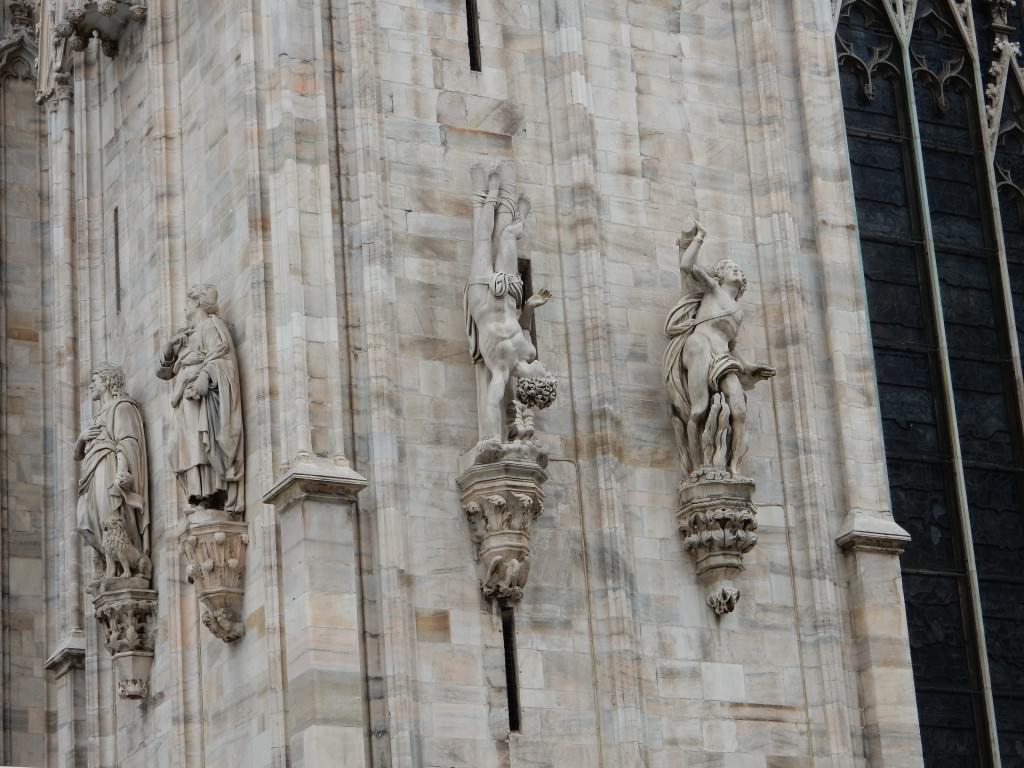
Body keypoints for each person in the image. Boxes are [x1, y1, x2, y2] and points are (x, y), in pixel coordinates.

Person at [664, 220, 775, 476]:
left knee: (738, 409)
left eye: (738, 269)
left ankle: (733, 468)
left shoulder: (738, 312)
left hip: (724, 358)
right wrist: (700, 238)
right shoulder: (713, 290)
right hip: (700, 346)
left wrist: (749, 367)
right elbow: (686, 265)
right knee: (700, 408)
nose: (736, 271)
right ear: (720, 275)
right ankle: (698, 469)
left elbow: (731, 346)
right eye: (731, 268)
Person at [464, 164, 554, 443]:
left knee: (482, 240)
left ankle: (485, 195)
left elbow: (493, 402)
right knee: (506, 236)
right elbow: (523, 326)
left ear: (536, 381)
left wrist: (490, 440)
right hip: (509, 296)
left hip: (482, 299)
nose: (545, 367)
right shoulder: (527, 350)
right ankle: (517, 215)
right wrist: (530, 305)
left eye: (546, 374)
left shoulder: (503, 370)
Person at [157, 284, 244, 514]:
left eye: (187, 302)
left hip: (198, 394)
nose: (184, 308)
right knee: (178, 447)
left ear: (196, 303)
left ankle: (207, 495)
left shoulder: (210, 326)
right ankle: (195, 493)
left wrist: (204, 375)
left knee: (197, 445)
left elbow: (221, 357)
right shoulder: (187, 335)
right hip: (184, 397)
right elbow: (166, 372)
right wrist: (169, 349)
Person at [74, 363, 149, 579]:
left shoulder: (121, 406)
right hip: (92, 472)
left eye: (95, 381)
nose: (91, 386)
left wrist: (122, 472)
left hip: (108, 468)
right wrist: (81, 438)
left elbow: (126, 442)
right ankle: (110, 561)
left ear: (107, 382)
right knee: (84, 519)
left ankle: (122, 565)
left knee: (112, 520)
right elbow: (77, 455)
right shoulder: (97, 418)